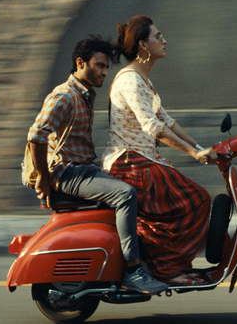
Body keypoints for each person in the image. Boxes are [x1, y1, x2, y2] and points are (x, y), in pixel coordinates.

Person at [27, 35, 167, 295]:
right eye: (100, 66)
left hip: (83, 169)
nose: (104, 72)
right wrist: (44, 179)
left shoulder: (85, 95)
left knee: (139, 186)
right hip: (68, 172)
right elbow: (36, 136)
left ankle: (145, 260)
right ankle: (134, 270)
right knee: (124, 195)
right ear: (81, 63)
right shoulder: (64, 96)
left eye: (106, 67)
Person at [101, 17, 218, 286]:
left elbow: (167, 121)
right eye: (159, 36)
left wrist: (202, 149)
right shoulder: (130, 80)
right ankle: (167, 269)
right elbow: (153, 126)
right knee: (196, 199)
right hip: (128, 162)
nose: (164, 41)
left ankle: (162, 263)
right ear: (143, 45)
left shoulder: (142, 80)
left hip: (140, 160)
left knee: (192, 200)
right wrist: (192, 153)